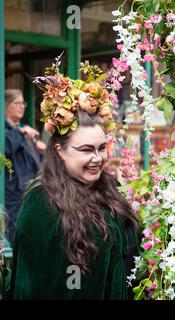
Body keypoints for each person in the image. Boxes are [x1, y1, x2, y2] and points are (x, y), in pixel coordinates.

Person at [9, 62, 139, 299]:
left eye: (101, 148)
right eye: (86, 150)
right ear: (60, 151)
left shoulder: (111, 188)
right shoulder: (40, 204)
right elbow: (31, 283)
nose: (97, 158)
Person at [4, 89, 46, 244]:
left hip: (29, 191)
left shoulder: (22, 128)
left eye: (23, 103)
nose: (22, 106)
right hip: (13, 193)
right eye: (17, 103)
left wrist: (39, 148)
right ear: (6, 105)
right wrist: (21, 133)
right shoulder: (9, 130)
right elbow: (5, 148)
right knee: (15, 235)